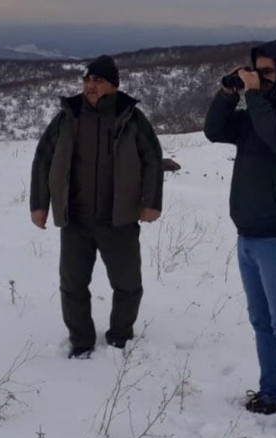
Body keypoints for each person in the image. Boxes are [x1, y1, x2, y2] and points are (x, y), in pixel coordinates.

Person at [204, 39, 276, 433]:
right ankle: (271, 393)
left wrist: (254, 96)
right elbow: (214, 130)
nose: (261, 78)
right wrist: (227, 94)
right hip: (248, 234)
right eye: (257, 70)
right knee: (262, 322)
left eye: (268, 72)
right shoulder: (258, 109)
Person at [30, 55, 164, 359]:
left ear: (113, 86)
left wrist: (151, 202)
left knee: (128, 284)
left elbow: (153, 158)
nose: (90, 86)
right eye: (87, 80)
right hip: (75, 218)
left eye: (98, 80)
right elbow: (43, 159)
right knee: (72, 285)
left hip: (119, 217)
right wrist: (40, 205)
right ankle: (80, 341)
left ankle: (120, 336)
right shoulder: (69, 115)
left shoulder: (130, 116)